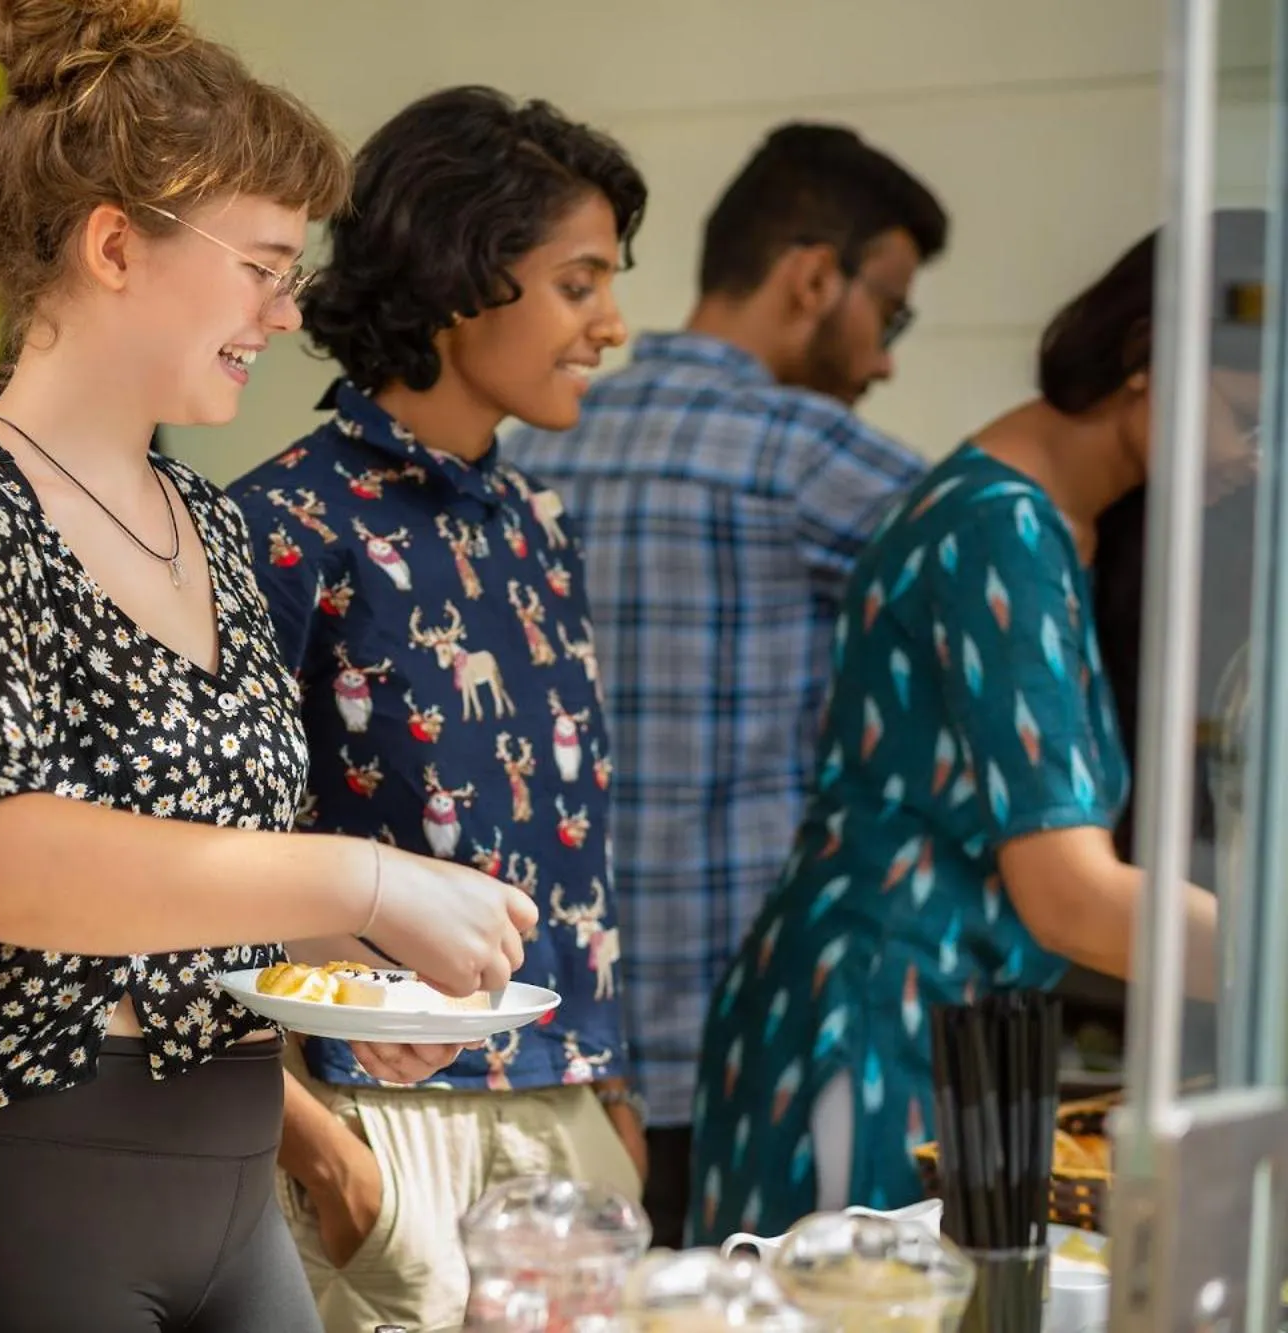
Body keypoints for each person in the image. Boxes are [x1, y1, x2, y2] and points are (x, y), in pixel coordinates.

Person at [0, 5, 537, 1331]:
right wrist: (360, 876)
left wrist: (373, 958)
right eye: (261, 262)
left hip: (229, 1189)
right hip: (9, 1189)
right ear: (116, 244)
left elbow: (204, 871)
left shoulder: (206, 519)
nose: (287, 306)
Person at [687, 215, 1250, 1243]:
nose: (1249, 457)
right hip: (873, 1030)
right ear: (1148, 357)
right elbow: (1069, 895)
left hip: (930, 1022)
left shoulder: (1056, 520)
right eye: (1245, 417)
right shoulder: (1000, 527)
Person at [230, 86, 649, 1333]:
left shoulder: (540, 527)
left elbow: (568, 837)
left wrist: (604, 1085)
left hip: (563, 1115)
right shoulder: (280, 526)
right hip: (375, 1124)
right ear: (463, 275)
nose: (609, 325)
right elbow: (212, 873)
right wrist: (326, 1155)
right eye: (579, 283)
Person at [506, 122, 948, 1246]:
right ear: (812, 276)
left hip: (558, 1038)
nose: (885, 356)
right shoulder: (802, 453)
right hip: (749, 1044)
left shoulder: (537, 441)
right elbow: (1003, 563)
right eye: (886, 312)